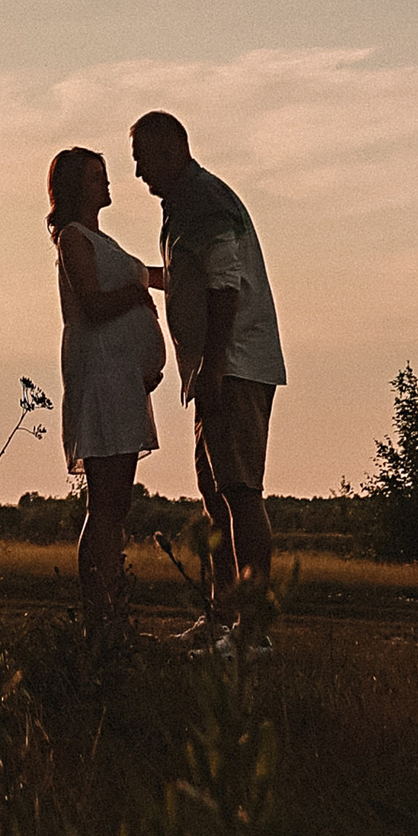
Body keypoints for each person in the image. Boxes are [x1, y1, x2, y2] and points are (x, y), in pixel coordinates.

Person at [128, 110, 284, 637]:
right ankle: (221, 622)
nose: (138, 174)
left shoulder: (203, 201)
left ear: (172, 149)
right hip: (214, 369)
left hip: (233, 365)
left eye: (142, 160)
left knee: (240, 492)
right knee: (217, 498)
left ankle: (252, 630)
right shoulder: (183, 207)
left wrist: (214, 364)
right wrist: (141, 277)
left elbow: (224, 285)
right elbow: (189, 280)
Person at [45, 143, 166, 642]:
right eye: (97, 178)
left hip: (122, 379)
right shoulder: (74, 239)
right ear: (76, 188)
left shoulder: (104, 239)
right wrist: (136, 297)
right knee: (105, 503)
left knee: (118, 504)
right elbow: (92, 303)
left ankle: (112, 610)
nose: (108, 183)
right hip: (101, 379)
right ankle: (102, 618)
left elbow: (154, 276)